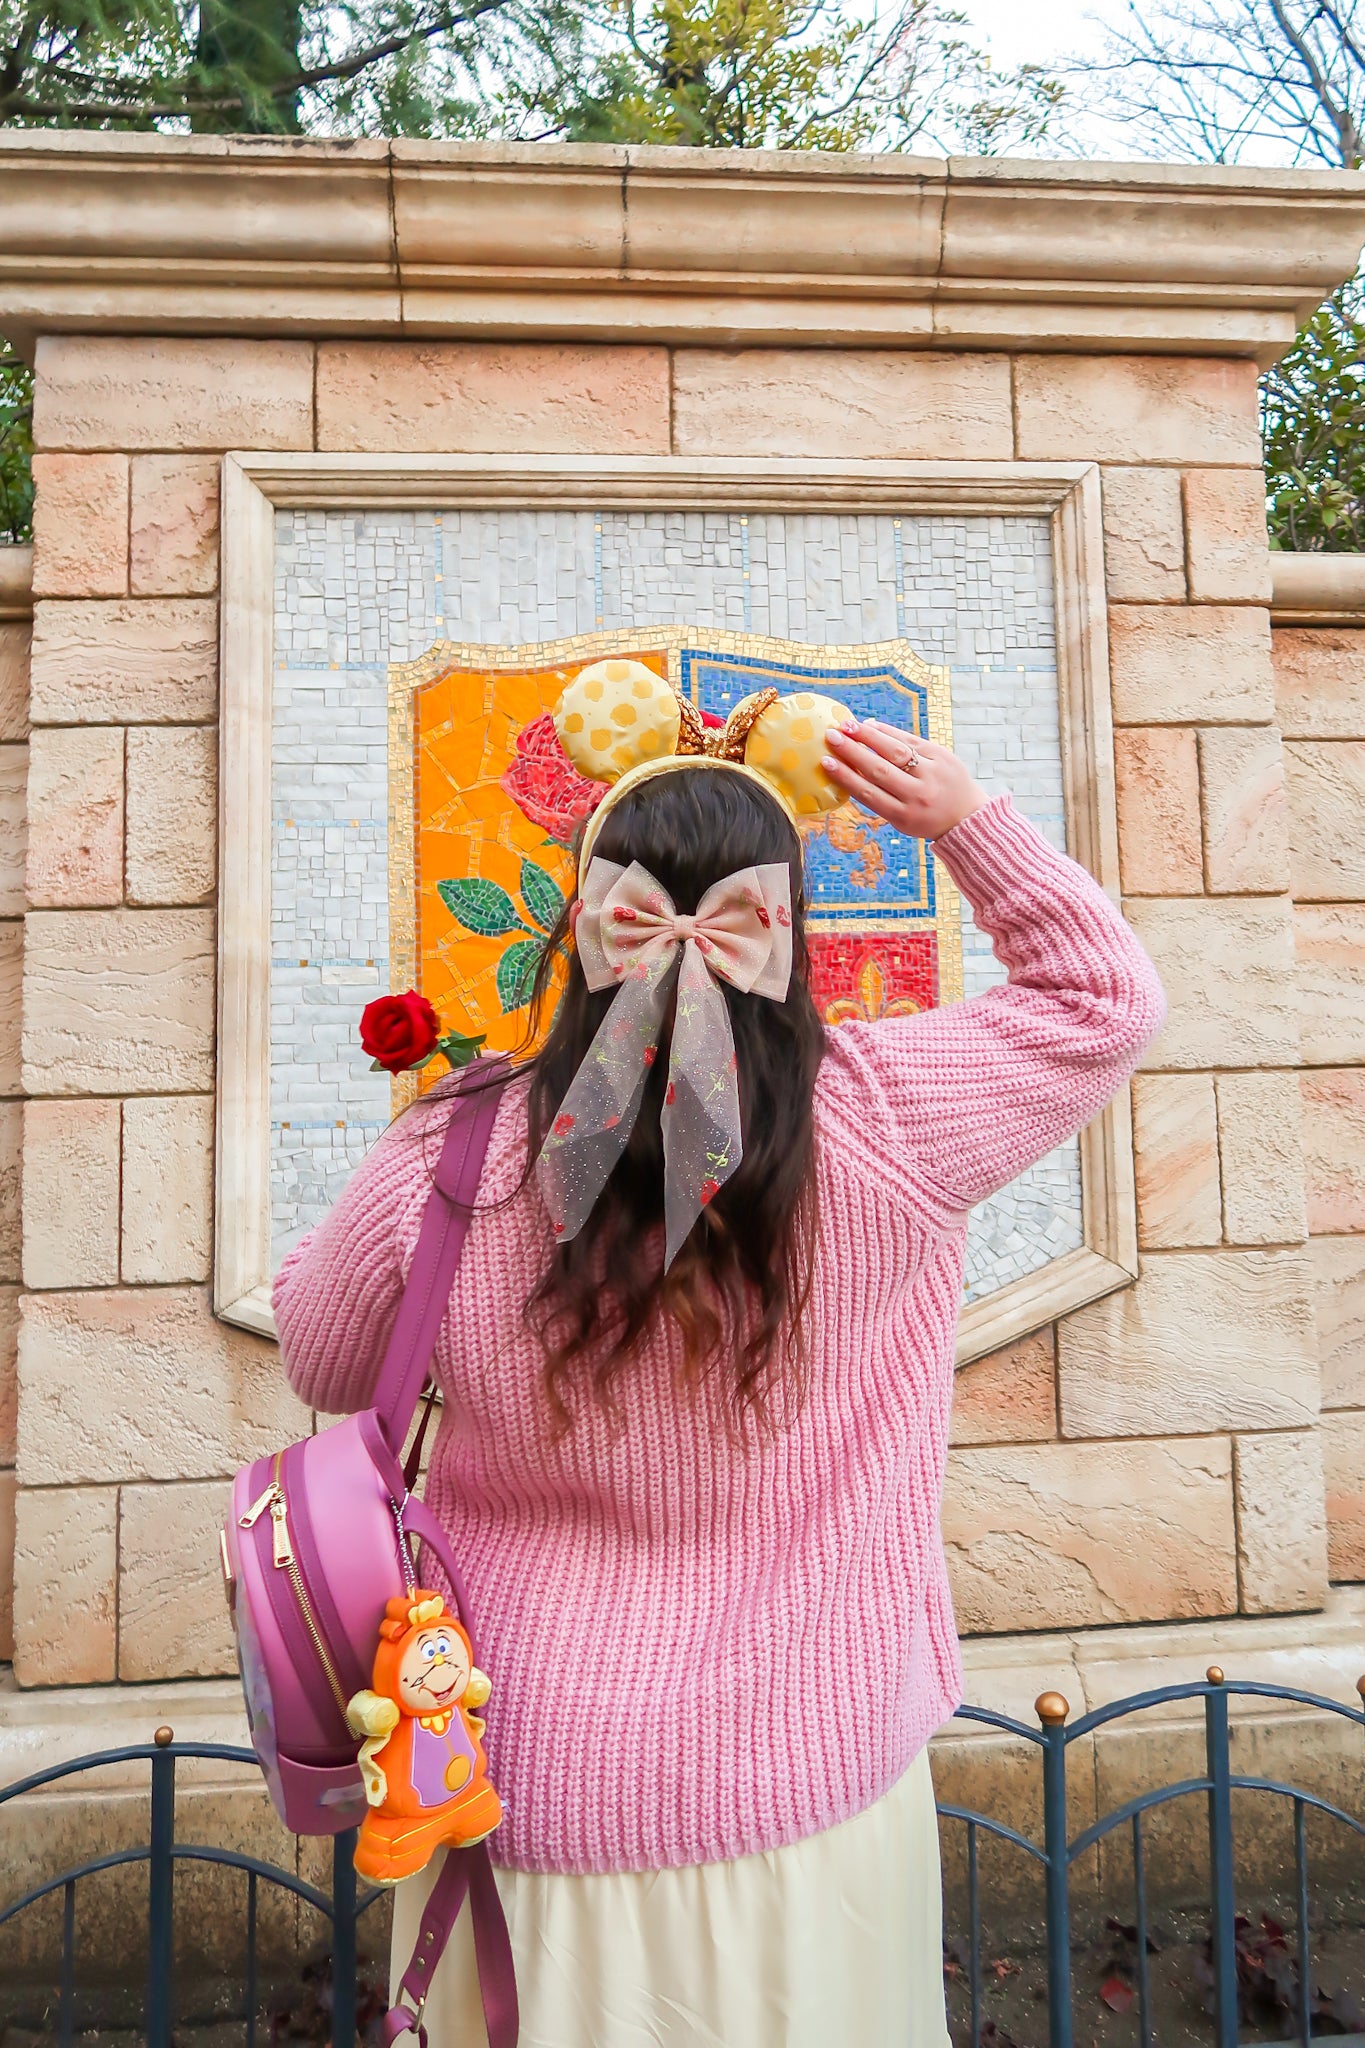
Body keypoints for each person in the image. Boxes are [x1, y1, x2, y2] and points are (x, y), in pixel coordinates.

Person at [274, 717, 1164, 2048]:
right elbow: (1102, 1000)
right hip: (812, 1780)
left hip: (513, 1784)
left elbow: (326, 1359)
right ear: (785, 929)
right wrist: (965, 818)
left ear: (579, 926)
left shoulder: (454, 1155)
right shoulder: (890, 1114)